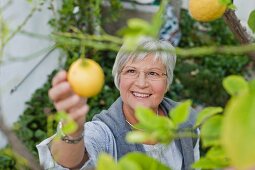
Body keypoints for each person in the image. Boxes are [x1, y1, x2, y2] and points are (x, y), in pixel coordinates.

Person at [37, 39, 200, 170]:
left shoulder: (186, 120)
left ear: (167, 83)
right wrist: (73, 128)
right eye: (131, 71)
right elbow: (69, 163)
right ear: (119, 78)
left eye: (153, 73)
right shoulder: (106, 131)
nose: (141, 83)